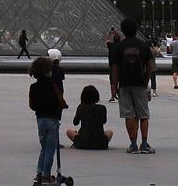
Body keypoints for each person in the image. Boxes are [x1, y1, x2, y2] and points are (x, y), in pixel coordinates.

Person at [110, 17, 155, 154]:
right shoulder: (143, 45)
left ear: (123, 30)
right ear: (136, 29)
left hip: (124, 84)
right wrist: (146, 81)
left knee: (129, 115)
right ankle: (145, 144)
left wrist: (114, 87)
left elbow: (115, 69)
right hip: (140, 83)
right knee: (143, 115)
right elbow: (150, 65)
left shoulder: (118, 47)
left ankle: (133, 144)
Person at [28, 56, 66, 184]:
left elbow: (31, 105)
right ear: (48, 70)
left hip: (40, 120)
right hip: (53, 119)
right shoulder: (53, 85)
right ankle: (46, 176)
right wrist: (63, 105)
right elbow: (60, 99)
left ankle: (39, 174)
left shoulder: (33, 87)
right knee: (50, 149)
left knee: (44, 148)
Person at [65, 85, 112, 150]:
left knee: (69, 132)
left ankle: (78, 141)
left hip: (83, 142)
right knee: (109, 132)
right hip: (100, 143)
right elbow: (104, 121)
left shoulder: (81, 107)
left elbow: (75, 122)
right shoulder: (102, 108)